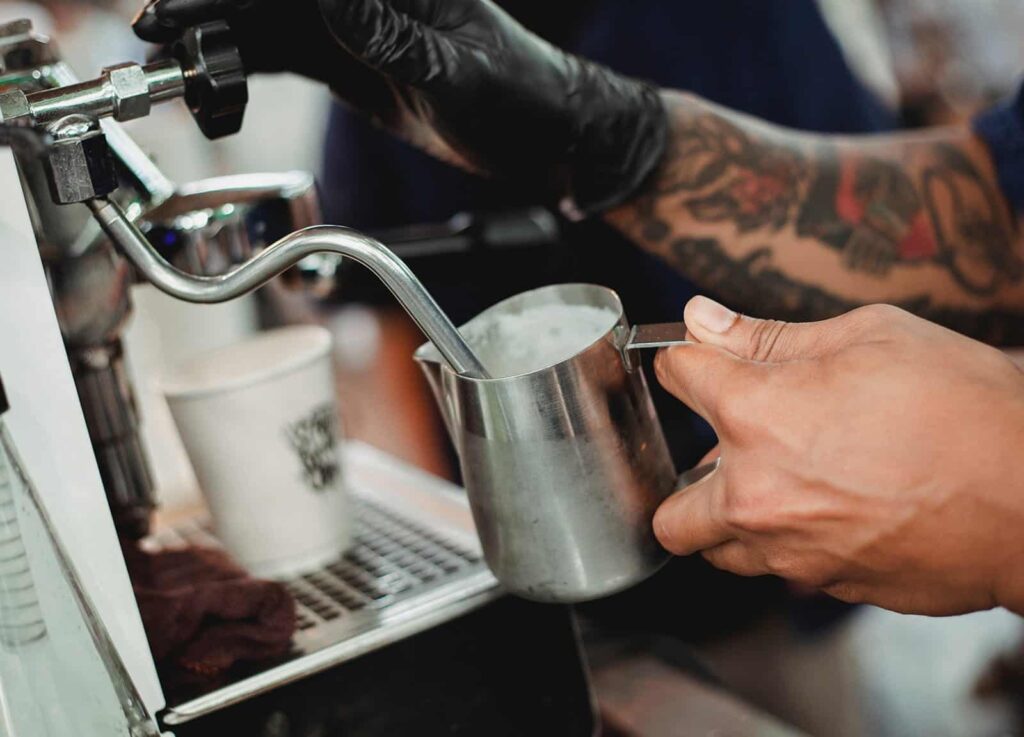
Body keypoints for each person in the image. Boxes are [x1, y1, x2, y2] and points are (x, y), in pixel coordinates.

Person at [135, 0, 1024, 617]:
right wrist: (605, 139)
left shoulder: (750, 19)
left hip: (777, 587)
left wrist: (993, 489)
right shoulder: (405, 72)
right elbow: (990, 219)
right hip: (558, 571)